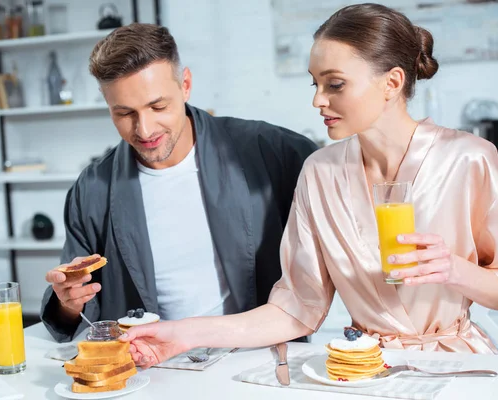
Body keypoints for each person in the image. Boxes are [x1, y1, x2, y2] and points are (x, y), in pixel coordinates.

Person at [119, 3, 498, 367]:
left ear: (392, 83)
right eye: (315, 83)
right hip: (360, 367)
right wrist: (186, 334)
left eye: (335, 84)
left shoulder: (468, 158)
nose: (318, 100)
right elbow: (296, 310)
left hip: (457, 367)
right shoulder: (319, 172)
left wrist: (455, 269)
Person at [40, 23, 318, 342]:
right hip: (152, 371)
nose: (144, 130)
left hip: (255, 358)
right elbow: (71, 315)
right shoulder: (91, 190)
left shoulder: (269, 150)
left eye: (158, 107)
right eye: (124, 113)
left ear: (185, 85)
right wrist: (68, 301)